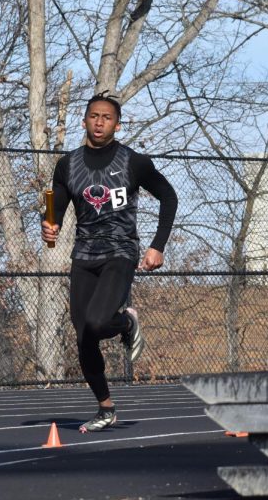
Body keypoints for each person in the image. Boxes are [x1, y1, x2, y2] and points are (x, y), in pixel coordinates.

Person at [42, 92, 177, 433]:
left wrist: (157, 245)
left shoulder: (133, 161)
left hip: (120, 252)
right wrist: (49, 223)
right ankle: (106, 408)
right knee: (84, 335)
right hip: (83, 255)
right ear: (84, 120)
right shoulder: (68, 164)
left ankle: (127, 324)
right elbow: (54, 205)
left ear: (117, 124)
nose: (99, 122)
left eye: (106, 117)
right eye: (93, 116)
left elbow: (168, 196)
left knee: (100, 322)